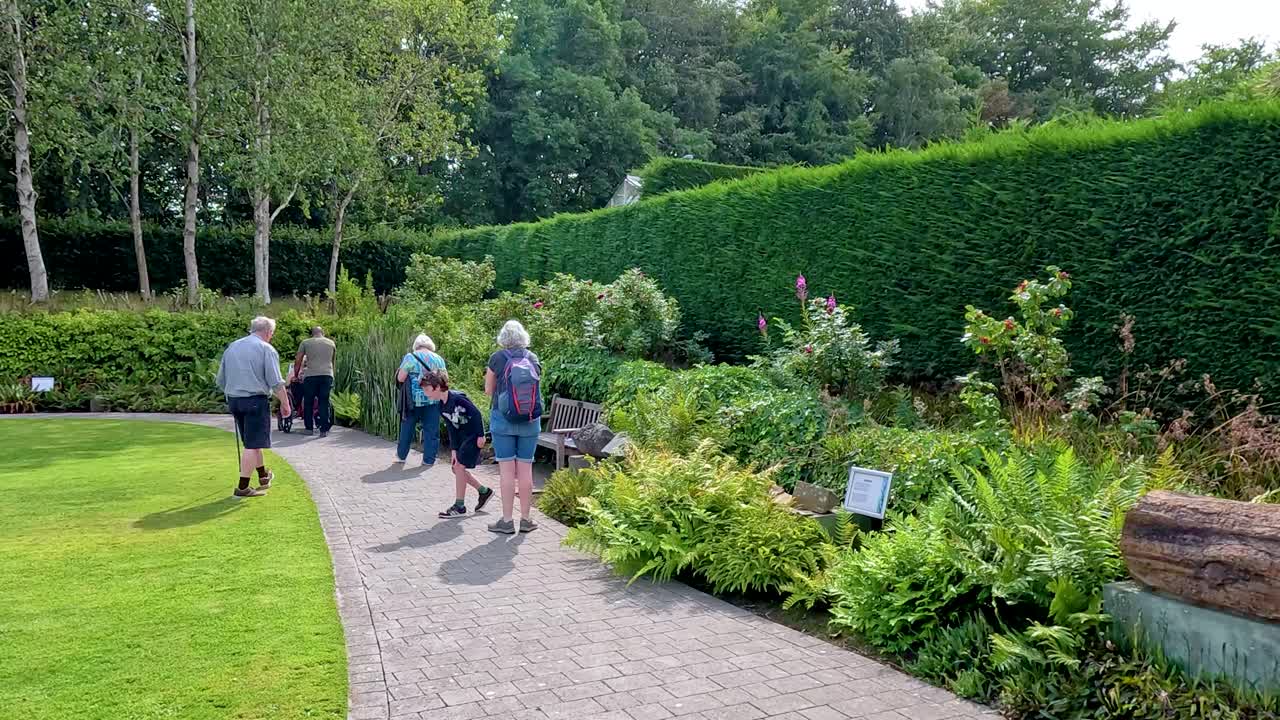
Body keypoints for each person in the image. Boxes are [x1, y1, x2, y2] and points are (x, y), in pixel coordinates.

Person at [216, 316, 291, 498]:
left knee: (252, 442)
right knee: (252, 444)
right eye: (272, 333)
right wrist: (285, 403)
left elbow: (220, 380)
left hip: (235, 400)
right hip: (255, 401)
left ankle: (263, 476)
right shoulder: (266, 349)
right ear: (268, 332)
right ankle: (242, 488)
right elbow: (275, 382)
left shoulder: (232, 347)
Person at [485, 319, 542, 534]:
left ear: (503, 338)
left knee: (507, 471)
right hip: (529, 420)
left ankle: (507, 521)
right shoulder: (532, 357)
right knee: (526, 469)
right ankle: (526, 519)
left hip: (503, 420)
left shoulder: (497, 358)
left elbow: (489, 390)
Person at [419, 369, 495, 518]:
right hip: (462, 438)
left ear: (437, 387)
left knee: (459, 467)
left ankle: (459, 506)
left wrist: (481, 435)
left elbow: (476, 414)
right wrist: (453, 450)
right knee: (456, 468)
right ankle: (484, 491)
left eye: (427, 390)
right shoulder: (441, 406)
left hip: (473, 436)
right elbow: (451, 428)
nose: (425, 393)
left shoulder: (458, 399)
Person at [395, 334, 447, 465]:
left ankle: (401, 456)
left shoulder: (410, 357)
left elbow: (401, 378)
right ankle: (429, 460)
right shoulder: (439, 359)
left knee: (407, 427)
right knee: (431, 431)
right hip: (433, 399)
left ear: (416, 345)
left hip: (412, 400)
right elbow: (445, 379)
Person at [295, 326, 336, 437]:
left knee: (308, 402)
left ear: (312, 333)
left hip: (311, 375)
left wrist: (296, 374)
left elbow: (298, 359)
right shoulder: (331, 343)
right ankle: (324, 430)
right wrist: (332, 375)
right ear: (323, 333)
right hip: (327, 375)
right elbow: (333, 361)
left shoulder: (306, 343)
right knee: (324, 401)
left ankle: (309, 429)